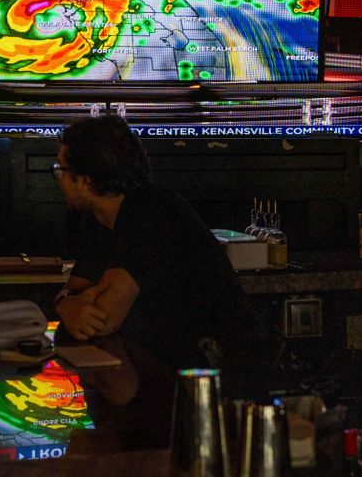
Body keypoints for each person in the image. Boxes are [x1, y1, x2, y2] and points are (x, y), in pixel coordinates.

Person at [51, 116, 265, 373]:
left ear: (85, 180)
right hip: (170, 363)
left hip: (221, 369)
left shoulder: (150, 211)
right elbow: (74, 293)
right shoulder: (101, 219)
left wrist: (76, 305)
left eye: (60, 170)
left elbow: (102, 318)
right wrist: (66, 304)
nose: (58, 179)